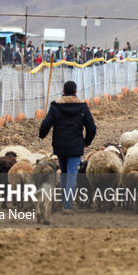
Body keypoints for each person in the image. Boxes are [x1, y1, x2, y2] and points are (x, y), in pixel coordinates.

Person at [39, 81, 96, 212]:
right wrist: (87, 141)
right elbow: (91, 127)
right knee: (72, 174)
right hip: (75, 146)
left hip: (60, 145)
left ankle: (65, 201)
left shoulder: (55, 106)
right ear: (75, 92)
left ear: (63, 91)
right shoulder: (82, 106)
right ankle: (67, 204)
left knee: (64, 173)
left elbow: (46, 124)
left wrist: (42, 135)